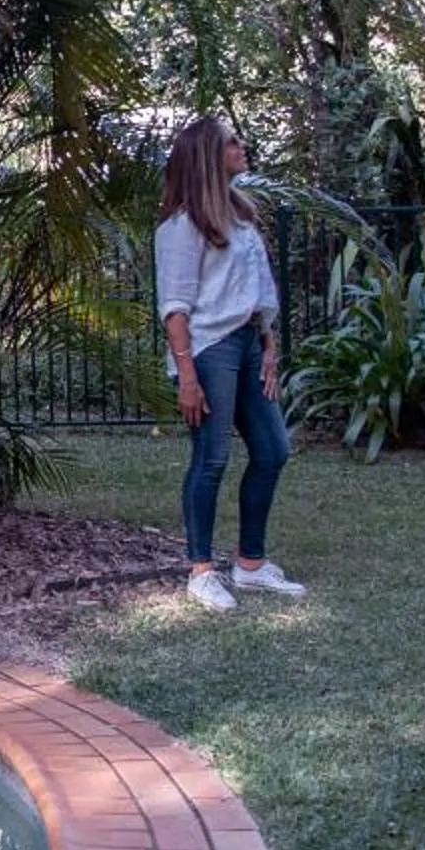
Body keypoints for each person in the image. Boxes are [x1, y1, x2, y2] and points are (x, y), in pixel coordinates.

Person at [154, 115, 303, 611]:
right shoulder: (181, 225)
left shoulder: (240, 214)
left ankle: (251, 564)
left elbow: (257, 288)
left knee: (273, 449)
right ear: (207, 156)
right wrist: (187, 377)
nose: (241, 146)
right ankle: (200, 571)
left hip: (246, 341)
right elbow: (174, 307)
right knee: (212, 457)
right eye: (231, 141)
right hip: (209, 349)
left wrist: (268, 345)